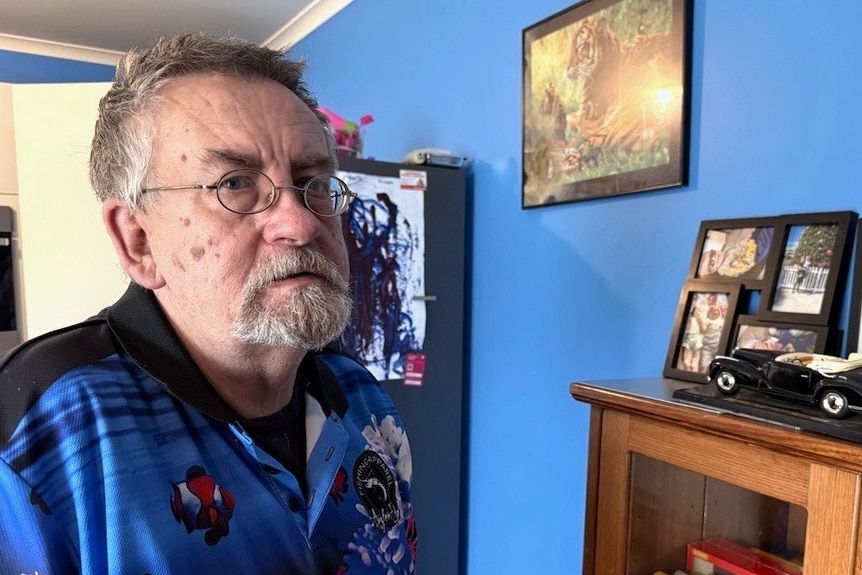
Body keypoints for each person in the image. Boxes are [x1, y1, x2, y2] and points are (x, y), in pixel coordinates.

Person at [0, 34, 417, 574]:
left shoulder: (363, 398)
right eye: (235, 183)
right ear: (138, 241)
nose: (302, 222)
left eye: (312, 182)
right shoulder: (39, 435)